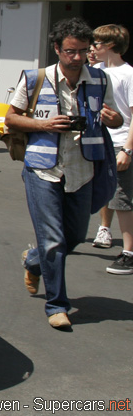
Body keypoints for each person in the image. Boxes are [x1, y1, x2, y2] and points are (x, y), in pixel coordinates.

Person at [8, 17, 122, 329]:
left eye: (83, 51)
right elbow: (11, 117)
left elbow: (113, 120)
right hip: (42, 169)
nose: (77, 58)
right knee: (54, 239)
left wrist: (112, 119)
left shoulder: (99, 80)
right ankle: (57, 305)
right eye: (70, 51)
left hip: (83, 168)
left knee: (72, 237)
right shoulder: (35, 79)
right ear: (57, 48)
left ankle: (34, 262)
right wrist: (43, 124)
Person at [88, 24, 133, 275]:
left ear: (111, 46)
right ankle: (103, 229)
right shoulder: (96, 71)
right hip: (98, 140)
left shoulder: (128, 75)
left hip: (120, 142)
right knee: (103, 192)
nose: (93, 48)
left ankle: (129, 252)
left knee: (123, 199)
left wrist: (127, 149)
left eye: (98, 44)